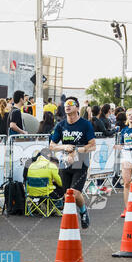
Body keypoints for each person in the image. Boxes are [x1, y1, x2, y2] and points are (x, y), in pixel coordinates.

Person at [50, 96, 96, 229]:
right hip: (65, 162)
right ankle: (70, 221)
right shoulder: (61, 125)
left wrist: (78, 149)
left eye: (71, 104)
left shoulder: (85, 124)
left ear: (77, 107)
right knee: (67, 194)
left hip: (80, 162)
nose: (67, 106)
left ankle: (83, 211)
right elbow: (52, 146)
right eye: (65, 105)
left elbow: (93, 146)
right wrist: (64, 147)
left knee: (75, 193)